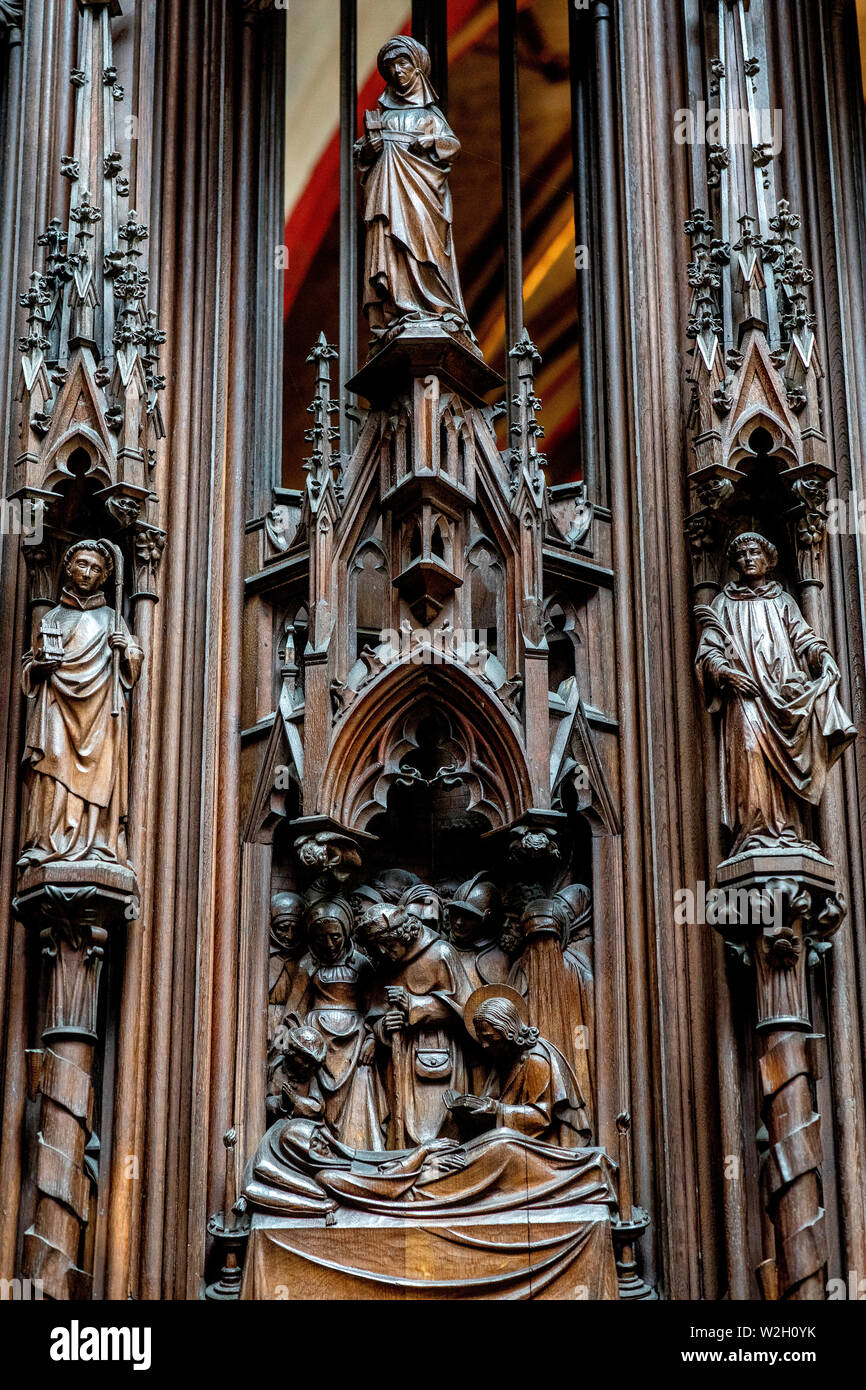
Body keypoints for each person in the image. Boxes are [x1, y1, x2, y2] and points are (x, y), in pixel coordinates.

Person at [695, 532, 855, 855]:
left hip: (783, 698)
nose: (748, 559)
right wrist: (727, 674)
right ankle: (753, 833)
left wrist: (822, 658)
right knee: (750, 754)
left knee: (786, 767)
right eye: (741, 555)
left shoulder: (783, 602)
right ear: (734, 563)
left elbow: (804, 639)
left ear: (768, 559)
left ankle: (788, 832)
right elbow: (708, 652)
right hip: (745, 698)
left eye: (755, 552)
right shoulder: (723, 604)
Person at [19, 540, 142, 869]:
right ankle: (45, 842)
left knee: (99, 771)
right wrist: (40, 667)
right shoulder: (54, 616)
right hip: (58, 703)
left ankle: (97, 841)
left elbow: (134, 657)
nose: (88, 573)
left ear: (104, 578)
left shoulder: (111, 617)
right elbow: (31, 662)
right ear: (69, 568)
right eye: (82, 565)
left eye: (96, 569)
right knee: (53, 761)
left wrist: (126, 648)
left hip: (100, 709)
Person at [356, 36, 474, 346]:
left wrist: (431, 142)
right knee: (389, 244)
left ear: (417, 69)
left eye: (403, 64)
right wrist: (371, 148)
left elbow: (452, 146)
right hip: (387, 195)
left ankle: (435, 306)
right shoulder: (382, 117)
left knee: (425, 245)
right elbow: (361, 155)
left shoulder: (429, 116)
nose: (397, 72)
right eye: (391, 67)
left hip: (421, 197)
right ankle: (397, 308)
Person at [356, 903, 471, 1146]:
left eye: (388, 945)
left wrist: (413, 1005)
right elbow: (375, 1016)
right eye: (378, 949)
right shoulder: (385, 967)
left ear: (402, 934)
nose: (384, 953)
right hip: (399, 1059)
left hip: (440, 1051)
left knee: (443, 1127)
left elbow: (466, 1010)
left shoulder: (441, 953)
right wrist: (385, 1026)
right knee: (402, 1130)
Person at [277, 899, 384, 1150]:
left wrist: (372, 1039)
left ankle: (358, 1148)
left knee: (360, 1088)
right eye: (321, 938)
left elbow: (374, 1009)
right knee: (316, 1096)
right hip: (316, 1043)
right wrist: (289, 1040)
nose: (329, 944)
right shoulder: (308, 964)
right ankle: (320, 1146)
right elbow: (294, 1009)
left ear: (346, 931)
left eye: (335, 937)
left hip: (355, 1043)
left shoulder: (361, 963)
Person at [447, 990, 591, 1147]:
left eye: (489, 1038)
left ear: (507, 1031)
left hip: (544, 1145)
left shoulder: (535, 1059)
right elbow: (494, 1098)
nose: (484, 1045)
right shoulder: (504, 1056)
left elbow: (542, 1117)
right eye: (481, 1038)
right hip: (514, 1141)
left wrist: (496, 1110)